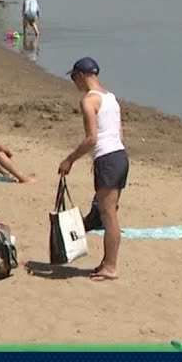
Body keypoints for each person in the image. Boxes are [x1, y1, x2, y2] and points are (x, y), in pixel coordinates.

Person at [59, 57, 128, 282]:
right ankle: (107, 262)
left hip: (108, 159)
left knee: (109, 216)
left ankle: (111, 266)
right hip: (119, 156)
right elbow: (119, 133)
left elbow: (91, 138)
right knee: (108, 214)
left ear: (81, 75)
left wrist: (70, 160)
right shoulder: (111, 98)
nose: (74, 83)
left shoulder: (89, 101)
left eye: (73, 78)